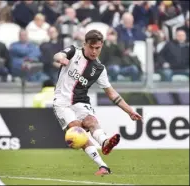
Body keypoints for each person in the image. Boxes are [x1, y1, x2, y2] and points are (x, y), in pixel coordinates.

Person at [53, 29, 142, 175]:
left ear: (101, 47)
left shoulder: (99, 69)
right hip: (62, 102)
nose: (94, 51)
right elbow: (58, 54)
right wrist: (61, 58)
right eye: (91, 47)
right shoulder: (74, 52)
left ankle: (105, 143)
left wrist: (130, 111)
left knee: (91, 121)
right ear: (85, 44)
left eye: (98, 48)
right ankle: (103, 166)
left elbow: (111, 93)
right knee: (78, 130)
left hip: (80, 101)